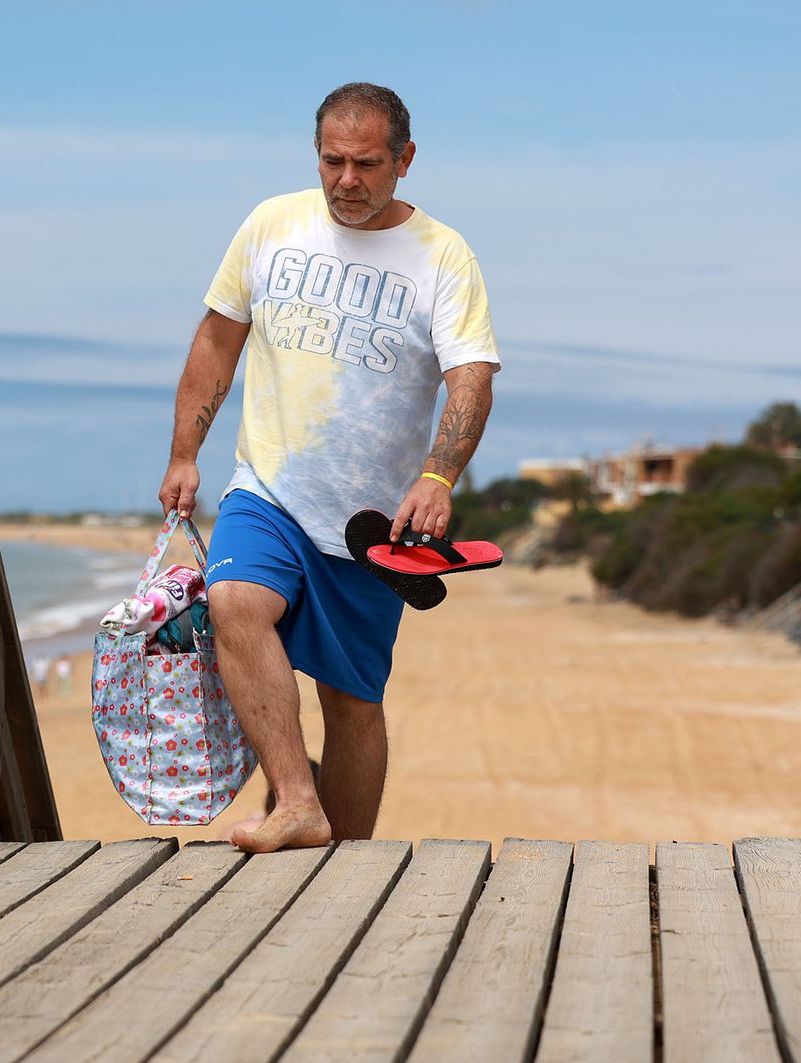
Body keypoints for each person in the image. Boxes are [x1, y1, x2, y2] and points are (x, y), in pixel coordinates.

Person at [159, 82, 500, 853]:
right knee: (234, 600)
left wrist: (439, 476)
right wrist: (186, 452)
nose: (347, 180)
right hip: (270, 488)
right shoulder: (270, 225)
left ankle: (348, 861)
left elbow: (471, 378)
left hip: (371, 522)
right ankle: (296, 801)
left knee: (351, 701)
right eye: (332, 161)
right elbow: (217, 340)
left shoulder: (443, 256)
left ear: (405, 160)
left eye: (368, 164)